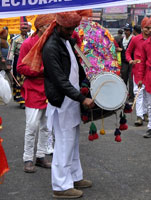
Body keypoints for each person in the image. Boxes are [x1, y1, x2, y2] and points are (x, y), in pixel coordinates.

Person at [22, 11, 95, 199]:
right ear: (59, 25)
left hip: (72, 99)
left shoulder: (66, 40)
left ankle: (74, 176)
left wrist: (85, 83)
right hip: (62, 101)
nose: (72, 31)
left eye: (73, 28)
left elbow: (76, 67)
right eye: (68, 28)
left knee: (73, 142)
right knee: (63, 143)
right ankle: (61, 186)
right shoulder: (51, 46)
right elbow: (60, 80)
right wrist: (81, 98)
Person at [17, 14, 56, 173]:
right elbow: (20, 67)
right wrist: (42, 71)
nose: (51, 28)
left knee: (46, 126)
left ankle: (40, 157)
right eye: (48, 26)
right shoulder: (28, 44)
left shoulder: (52, 42)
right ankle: (28, 159)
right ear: (40, 27)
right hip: (33, 89)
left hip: (49, 90)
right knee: (32, 126)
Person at [125, 17, 150, 126]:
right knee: (138, 93)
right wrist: (130, 61)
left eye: (150, 28)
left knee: (147, 94)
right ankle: (139, 116)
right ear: (142, 28)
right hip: (137, 70)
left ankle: (145, 113)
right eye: (146, 27)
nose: (148, 30)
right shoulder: (135, 39)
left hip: (150, 70)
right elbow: (128, 52)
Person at [7, 22, 30, 109]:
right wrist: (9, 63)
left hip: (28, 61)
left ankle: (28, 98)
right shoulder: (15, 39)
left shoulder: (31, 38)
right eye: (23, 28)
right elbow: (11, 51)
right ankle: (21, 100)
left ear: (28, 29)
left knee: (27, 80)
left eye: (26, 28)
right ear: (20, 29)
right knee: (19, 80)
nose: (24, 30)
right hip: (18, 60)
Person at [119, 24, 134, 102]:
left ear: (131, 31)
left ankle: (131, 97)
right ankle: (123, 95)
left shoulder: (133, 39)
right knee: (123, 79)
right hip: (124, 62)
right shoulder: (122, 39)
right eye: (125, 30)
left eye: (127, 30)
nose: (126, 32)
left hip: (131, 62)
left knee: (131, 80)